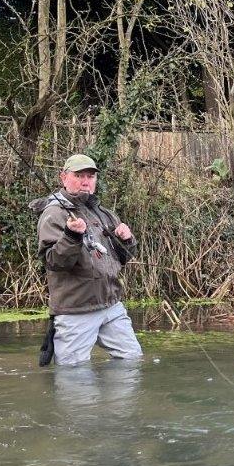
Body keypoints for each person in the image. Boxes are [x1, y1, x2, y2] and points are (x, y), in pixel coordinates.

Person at [30, 154, 143, 365]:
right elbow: (54, 262)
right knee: (73, 376)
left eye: (90, 176)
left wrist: (127, 240)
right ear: (63, 177)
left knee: (132, 360)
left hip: (111, 307)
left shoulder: (104, 213)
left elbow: (123, 257)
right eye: (79, 175)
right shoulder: (53, 215)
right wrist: (72, 236)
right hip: (76, 311)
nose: (85, 181)